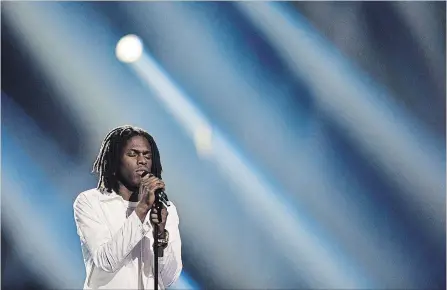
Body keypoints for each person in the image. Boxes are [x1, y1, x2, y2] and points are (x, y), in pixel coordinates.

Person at [73, 125, 182, 289]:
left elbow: (168, 278)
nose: (142, 161)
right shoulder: (90, 202)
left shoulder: (165, 209)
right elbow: (106, 261)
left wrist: (160, 234)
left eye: (147, 155)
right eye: (133, 154)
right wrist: (142, 209)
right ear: (115, 160)